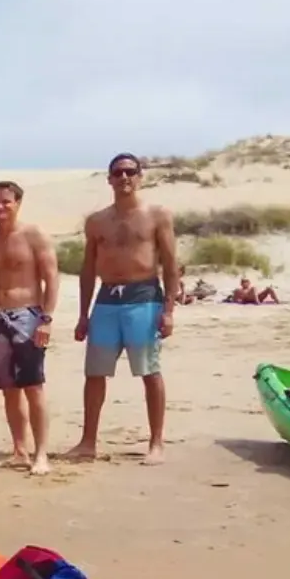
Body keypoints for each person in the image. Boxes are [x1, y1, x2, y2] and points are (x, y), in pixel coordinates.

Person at [68, 153, 180, 465]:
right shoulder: (96, 221)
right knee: (95, 372)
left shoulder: (157, 215)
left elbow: (171, 264)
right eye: (118, 173)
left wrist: (169, 310)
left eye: (130, 171)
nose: (124, 177)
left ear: (140, 176)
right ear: (109, 179)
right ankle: (87, 442)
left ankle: (156, 443)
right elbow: (88, 269)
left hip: (143, 297)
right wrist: (83, 315)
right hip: (106, 300)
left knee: (149, 371)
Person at [0, 181, 59, 475]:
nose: (0, 207)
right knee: (9, 389)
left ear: (18, 203)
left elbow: (51, 277)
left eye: (6, 202)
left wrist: (46, 319)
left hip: (28, 315)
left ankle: (41, 453)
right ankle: (19, 449)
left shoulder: (34, 235)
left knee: (33, 386)